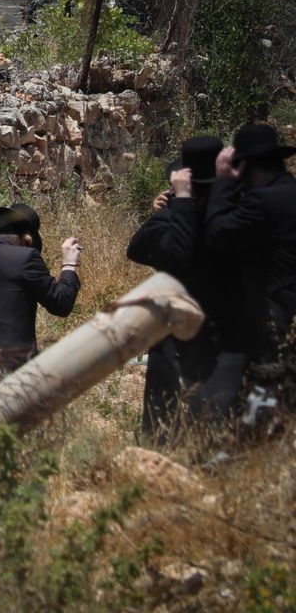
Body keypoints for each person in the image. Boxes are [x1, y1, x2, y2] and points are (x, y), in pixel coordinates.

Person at [127, 137, 246, 438]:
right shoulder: (234, 216)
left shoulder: (191, 221)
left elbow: (151, 252)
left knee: (171, 410)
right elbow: (139, 250)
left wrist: (172, 210)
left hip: (185, 333)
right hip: (222, 330)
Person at [205, 123, 296, 381]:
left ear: (245, 167)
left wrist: (223, 182)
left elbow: (217, 234)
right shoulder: (287, 192)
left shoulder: (263, 201)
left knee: (268, 387)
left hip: (277, 313)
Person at [0, 203, 81, 382]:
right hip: (12, 370)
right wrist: (69, 265)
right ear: (27, 239)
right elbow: (61, 304)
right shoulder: (26, 258)